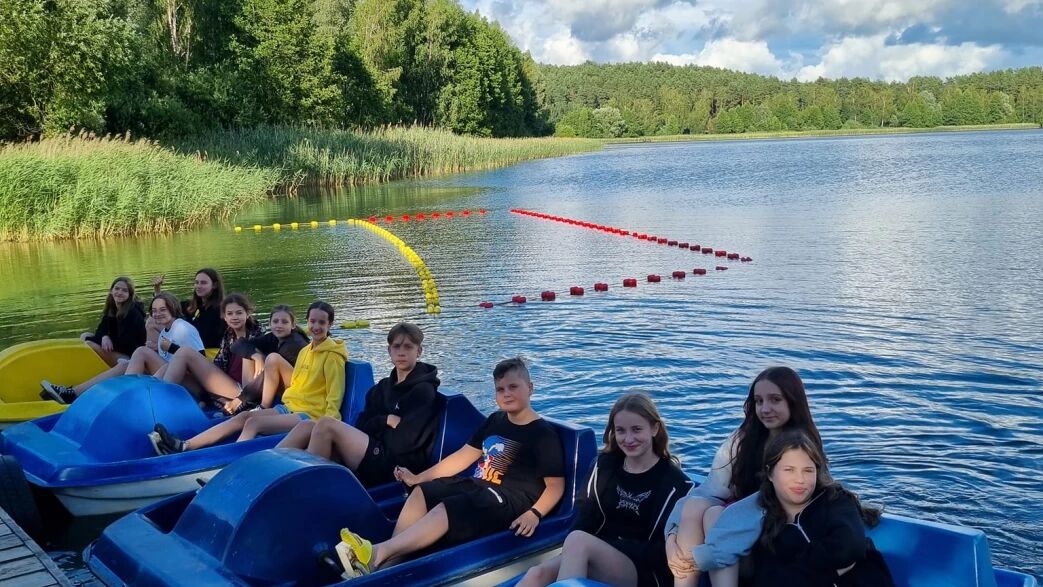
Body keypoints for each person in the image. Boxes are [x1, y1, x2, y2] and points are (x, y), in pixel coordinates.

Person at [336, 358, 565, 574]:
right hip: (480, 487)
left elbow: (555, 486)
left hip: (509, 500)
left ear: (530, 388)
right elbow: (462, 457)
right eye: (500, 389)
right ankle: (387, 565)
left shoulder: (542, 434)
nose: (506, 393)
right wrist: (419, 478)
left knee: (448, 507)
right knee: (422, 492)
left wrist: (534, 513)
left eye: (513, 387)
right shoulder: (495, 420)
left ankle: (377, 553)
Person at [664, 366, 825, 587]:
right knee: (695, 507)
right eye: (759, 401)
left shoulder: (801, 449)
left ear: (793, 401)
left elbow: (766, 504)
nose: (765, 408)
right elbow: (709, 489)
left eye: (775, 400)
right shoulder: (743, 440)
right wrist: (672, 535)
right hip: (732, 540)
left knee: (715, 515)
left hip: (770, 543)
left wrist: (703, 554)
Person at [519, 393, 692, 587]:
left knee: (578, 541)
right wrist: (592, 548)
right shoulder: (603, 467)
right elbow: (583, 521)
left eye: (636, 429)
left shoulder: (675, 484)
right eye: (621, 431)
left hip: (645, 571)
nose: (628, 439)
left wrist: (602, 546)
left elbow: (662, 551)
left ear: (654, 428)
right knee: (536, 574)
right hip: (593, 551)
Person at [149, 301, 348, 454]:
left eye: (322, 322)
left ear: (330, 324)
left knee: (253, 423)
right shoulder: (306, 351)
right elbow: (297, 384)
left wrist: (326, 426)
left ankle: (234, 464)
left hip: (310, 415)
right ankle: (184, 445)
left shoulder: (332, 356)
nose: (316, 326)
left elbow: (335, 395)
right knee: (242, 417)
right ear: (307, 322)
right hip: (291, 406)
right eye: (312, 321)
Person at [277, 322, 440, 486]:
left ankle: (310, 488)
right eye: (396, 346)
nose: (401, 352)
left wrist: (376, 428)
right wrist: (385, 421)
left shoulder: (423, 392)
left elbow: (406, 442)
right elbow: (362, 425)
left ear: (419, 351)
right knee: (307, 426)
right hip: (372, 450)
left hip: (396, 465)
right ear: (389, 351)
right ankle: (270, 470)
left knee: (326, 425)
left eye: (408, 347)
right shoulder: (382, 388)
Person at [751, 430, 895, 587]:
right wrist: (833, 572)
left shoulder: (836, 500)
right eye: (789, 470)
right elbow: (770, 580)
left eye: (808, 470)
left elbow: (850, 547)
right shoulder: (763, 522)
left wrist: (800, 570)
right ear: (770, 473)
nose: (800, 479)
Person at [41, 292, 204, 404]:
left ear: (173, 309)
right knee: (125, 364)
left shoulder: (182, 328)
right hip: (172, 378)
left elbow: (199, 360)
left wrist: (170, 348)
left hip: (191, 388)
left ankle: (124, 398)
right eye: (154, 311)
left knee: (141, 352)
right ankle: (74, 393)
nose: (157, 314)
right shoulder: (165, 332)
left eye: (163, 310)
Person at [159, 293, 262, 410]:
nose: (234, 317)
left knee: (185, 352)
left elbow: (251, 383)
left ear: (247, 314)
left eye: (239, 313)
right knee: (170, 366)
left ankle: (161, 400)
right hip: (227, 385)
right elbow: (218, 366)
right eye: (230, 314)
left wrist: (239, 400)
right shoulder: (229, 336)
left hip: (243, 394)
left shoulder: (256, 337)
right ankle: (150, 394)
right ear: (224, 317)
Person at [223, 304, 309, 413]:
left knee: (272, 359)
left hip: (302, 389)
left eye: (284, 322)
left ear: (293, 325)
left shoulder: (294, 344)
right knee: (250, 351)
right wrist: (257, 356)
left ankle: (262, 407)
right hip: (285, 384)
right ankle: (250, 401)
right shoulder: (273, 337)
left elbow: (268, 374)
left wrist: (240, 399)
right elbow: (237, 345)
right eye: (275, 321)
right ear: (270, 323)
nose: (279, 325)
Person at [150, 268, 225, 348]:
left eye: (203, 283)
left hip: (203, 351)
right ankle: (159, 349)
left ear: (214, 285)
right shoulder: (191, 306)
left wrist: (171, 346)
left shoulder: (220, 309)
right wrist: (157, 290)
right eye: (196, 282)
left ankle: (159, 348)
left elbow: (204, 338)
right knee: (151, 322)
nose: (198, 286)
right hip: (182, 346)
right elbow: (168, 307)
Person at [80, 276, 147, 366]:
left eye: (124, 290)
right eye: (117, 289)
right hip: (119, 349)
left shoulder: (133, 312)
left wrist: (104, 339)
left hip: (132, 357)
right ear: (111, 291)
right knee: (85, 335)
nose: (119, 292)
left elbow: (125, 344)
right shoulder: (112, 309)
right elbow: (100, 329)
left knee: (88, 342)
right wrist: (104, 336)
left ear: (130, 294)